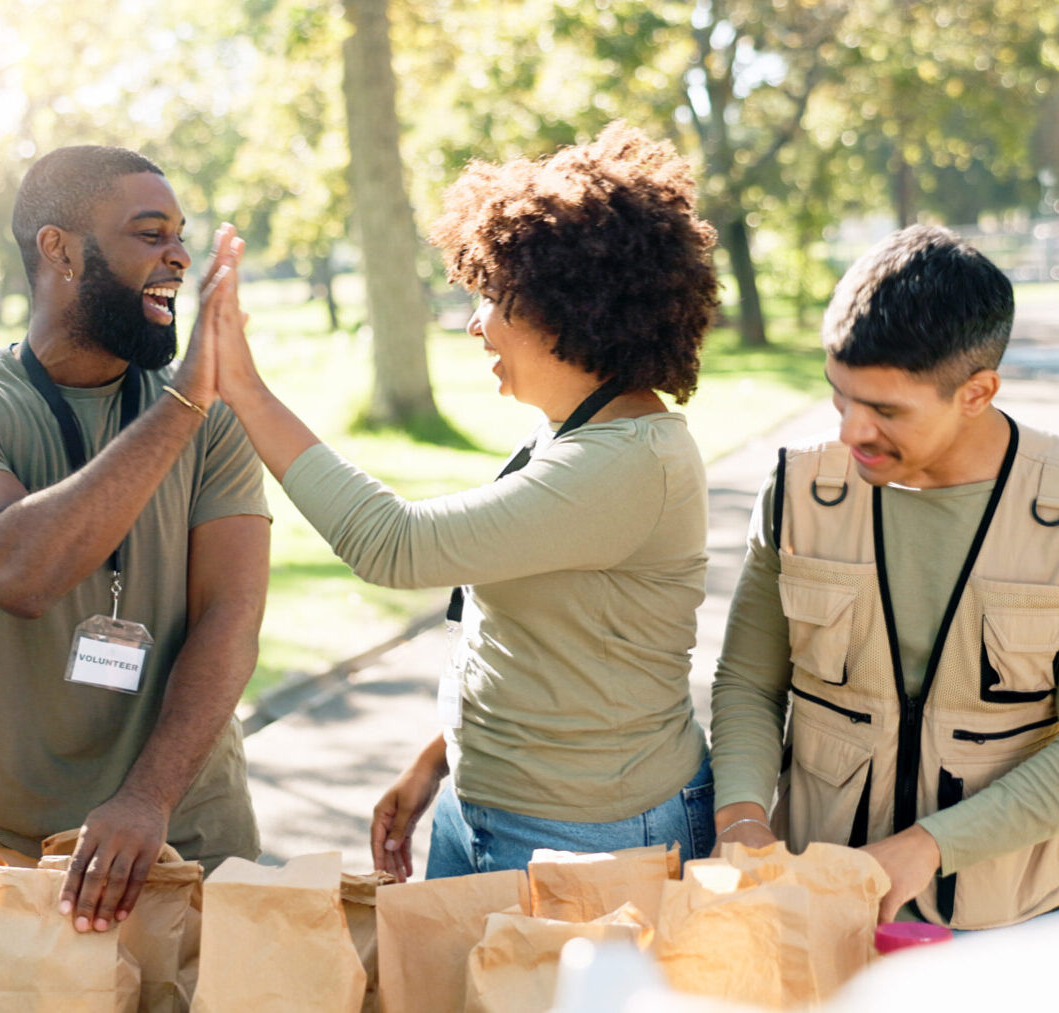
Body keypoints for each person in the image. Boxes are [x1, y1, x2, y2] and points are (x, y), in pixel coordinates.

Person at [210, 122, 721, 881]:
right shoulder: (574, 431)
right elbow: (535, 644)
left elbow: (395, 543)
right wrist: (436, 762)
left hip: (593, 838)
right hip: (484, 807)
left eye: (494, 296)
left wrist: (244, 388)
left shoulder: (629, 463)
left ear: (570, 309)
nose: (475, 321)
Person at [0, 146, 268, 934]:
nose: (179, 255)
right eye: (149, 232)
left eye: (181, 234)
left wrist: (148, 796)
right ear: (58, 249)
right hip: (19, 850)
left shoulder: (210, 416)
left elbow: (231, 619)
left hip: (190, 834)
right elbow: (17, 569)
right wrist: (185, 402)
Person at [709, 225, 1059, 929]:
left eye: (886, 410)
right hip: (811, 909)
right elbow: (748, 681)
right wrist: (741, 815)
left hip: (1006, 929)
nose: (850, 433)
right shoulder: (797, 490)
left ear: (978, 391)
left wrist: (930, 846)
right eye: (839, 398)